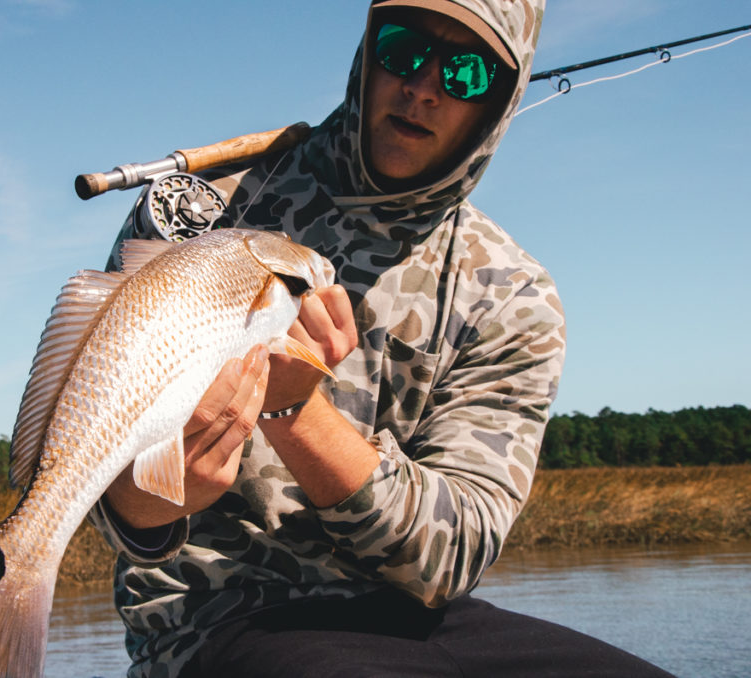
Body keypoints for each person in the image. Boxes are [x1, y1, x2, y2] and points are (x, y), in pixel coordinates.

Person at [90, 1, 676, 676]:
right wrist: (150, 497)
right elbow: (113, 490)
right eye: (402, 48)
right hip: (219, 620)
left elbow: (450, 558)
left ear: (498, 104)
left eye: (466, 72)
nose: (424, 85)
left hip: (420, 618)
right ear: (367, 55)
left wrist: (295, 411)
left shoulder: (513, 291)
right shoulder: (199, 212)